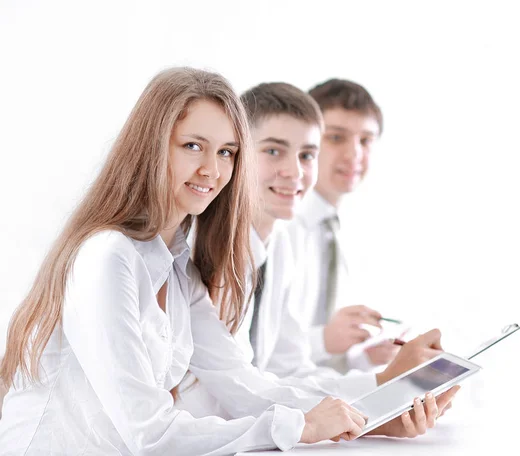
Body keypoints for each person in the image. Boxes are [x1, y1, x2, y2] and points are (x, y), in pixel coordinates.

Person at [0, 67, 381, 455]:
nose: (212, 170)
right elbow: (151, 433)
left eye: (226, 152)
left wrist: (359, 419)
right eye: (193, 146)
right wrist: (300, 426)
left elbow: (239, 380)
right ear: (152, 146)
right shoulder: (108, 256)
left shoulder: (178, 264)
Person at [174, 81, 457, 427]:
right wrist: (378, 393)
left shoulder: (278, 246)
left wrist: (377, 411)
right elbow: (235, 391)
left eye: (307, 155)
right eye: (274, 151)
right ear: (238, 155)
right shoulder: (197, 251)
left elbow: (288, 371)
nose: (294, 172)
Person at [284, 78, 397, 373]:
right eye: (336, 137)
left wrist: (365, 357)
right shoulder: (281, 227)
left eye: (366, 141)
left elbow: (324, 361)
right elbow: (257, 353)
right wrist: (324, 340)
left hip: (320, 394)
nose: (354, 154)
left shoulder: (339, 230)